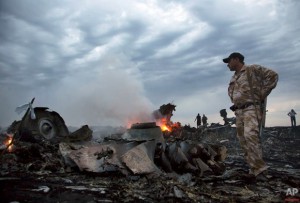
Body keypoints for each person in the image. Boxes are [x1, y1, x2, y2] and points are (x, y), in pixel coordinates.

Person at [223, 52, 278, 179]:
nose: (228, 65)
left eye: (229, 61)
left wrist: (261, 94)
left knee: (251, 136)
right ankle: (253, 168)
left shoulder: (252, 69)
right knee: (243, 140)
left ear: (236, 59)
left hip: (251, 109)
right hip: (239, 111)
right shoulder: (234, 77)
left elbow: (273, 76)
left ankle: (260, 170)